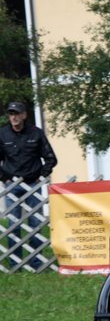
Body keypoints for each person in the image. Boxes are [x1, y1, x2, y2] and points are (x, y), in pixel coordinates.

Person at [0, 101, 58, 270]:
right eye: (11, 114)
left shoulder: (36, 133)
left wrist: (42, 177)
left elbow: (51, 158)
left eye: (17, 113)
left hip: (33, 184)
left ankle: (36, 263)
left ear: (24, 115)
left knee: (35, 223)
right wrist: (4, 179)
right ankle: (15, 264)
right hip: (12, 185)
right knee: (13, 225)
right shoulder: (2, 134)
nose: (14, 117)